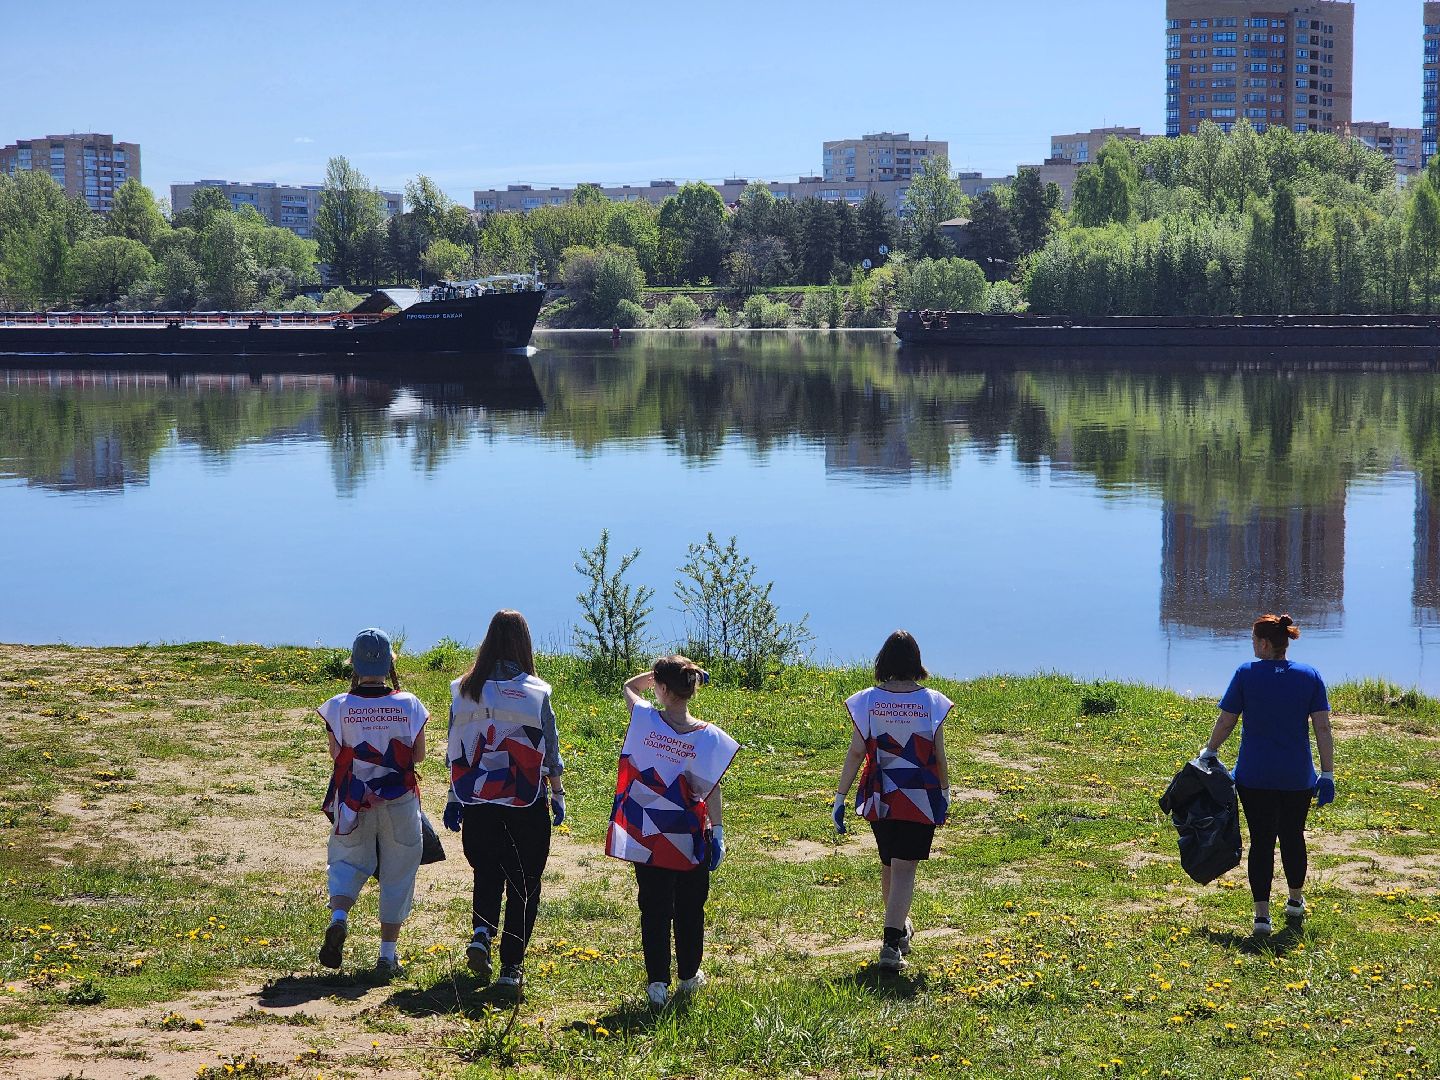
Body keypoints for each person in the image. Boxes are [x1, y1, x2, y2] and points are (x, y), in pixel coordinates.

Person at [443, 610, 565, 995]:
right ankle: (511, 968)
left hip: (476, 794)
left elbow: (453, 747)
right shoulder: (536, 691)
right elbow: (549, 750)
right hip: (523, 797)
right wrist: (557, 793)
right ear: (524, 643)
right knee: (524, 883)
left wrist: (452, 795)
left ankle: (481, 933)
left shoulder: (462, 689)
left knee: (486, 869)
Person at [608, 656, 738, 1009]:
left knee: (653, 905)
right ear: (693, 687)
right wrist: (720, 831)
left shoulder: (645, 718)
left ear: (662, 689)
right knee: (690, 906)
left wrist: (654, 677)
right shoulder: (709, 737)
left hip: (647, 831)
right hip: (690, 833)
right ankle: (690, 976)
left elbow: (629, 688)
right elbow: (712, 787)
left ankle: (657, 984)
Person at [1200, 613, 1335, 937]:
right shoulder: (1309, 675)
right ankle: (1294, 901)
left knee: (1261, 842)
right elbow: (1322, 727)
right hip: (1296, 777)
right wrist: (1327, 773)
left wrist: (1210, 751)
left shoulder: (1246, 674)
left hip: (1254, 776)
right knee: (1293, 837)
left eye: (1253, 642)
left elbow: (1227, 721)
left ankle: (1261, 917)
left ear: (1263, 643)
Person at [832, 630, 951, 972]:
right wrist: (944, 791)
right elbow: (938, 755)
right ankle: (889, 943)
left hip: (879, 793)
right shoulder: (932, 702)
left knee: (889, 863)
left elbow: (857, 751)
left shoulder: (866, 700)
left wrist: (840, 797)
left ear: (882, 661)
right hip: (919, 793)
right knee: (903, 868)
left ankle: (898, 931)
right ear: (916, 661)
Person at [317, 628, 428, 978]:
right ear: (390, 663)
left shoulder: (338, 706)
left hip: (353, 799)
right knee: (398, 872)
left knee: (346, 861)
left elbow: (338, 756)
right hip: (399, 799)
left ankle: (339, 918)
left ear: (354, 664)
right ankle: (387, 956)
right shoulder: (410, 704)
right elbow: (419, 756)